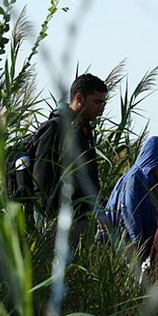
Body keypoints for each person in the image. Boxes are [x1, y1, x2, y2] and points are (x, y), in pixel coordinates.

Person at [33, 73, 108, 233]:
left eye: (103, 103)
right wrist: (46, 218)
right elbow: (41, 178)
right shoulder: (55, 128)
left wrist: (98, 210)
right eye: (97, 102)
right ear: (79, 98)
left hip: (78, 218)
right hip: (54, 221)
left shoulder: (84, 131)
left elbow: (90, 176)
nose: (101, 108)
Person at [104, 136, 158, 268]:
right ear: (153, 159)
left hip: (137, 239)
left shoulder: (150, 179)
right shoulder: (134, 178)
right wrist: (138, 243)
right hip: (127, 239)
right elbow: (130, 211)